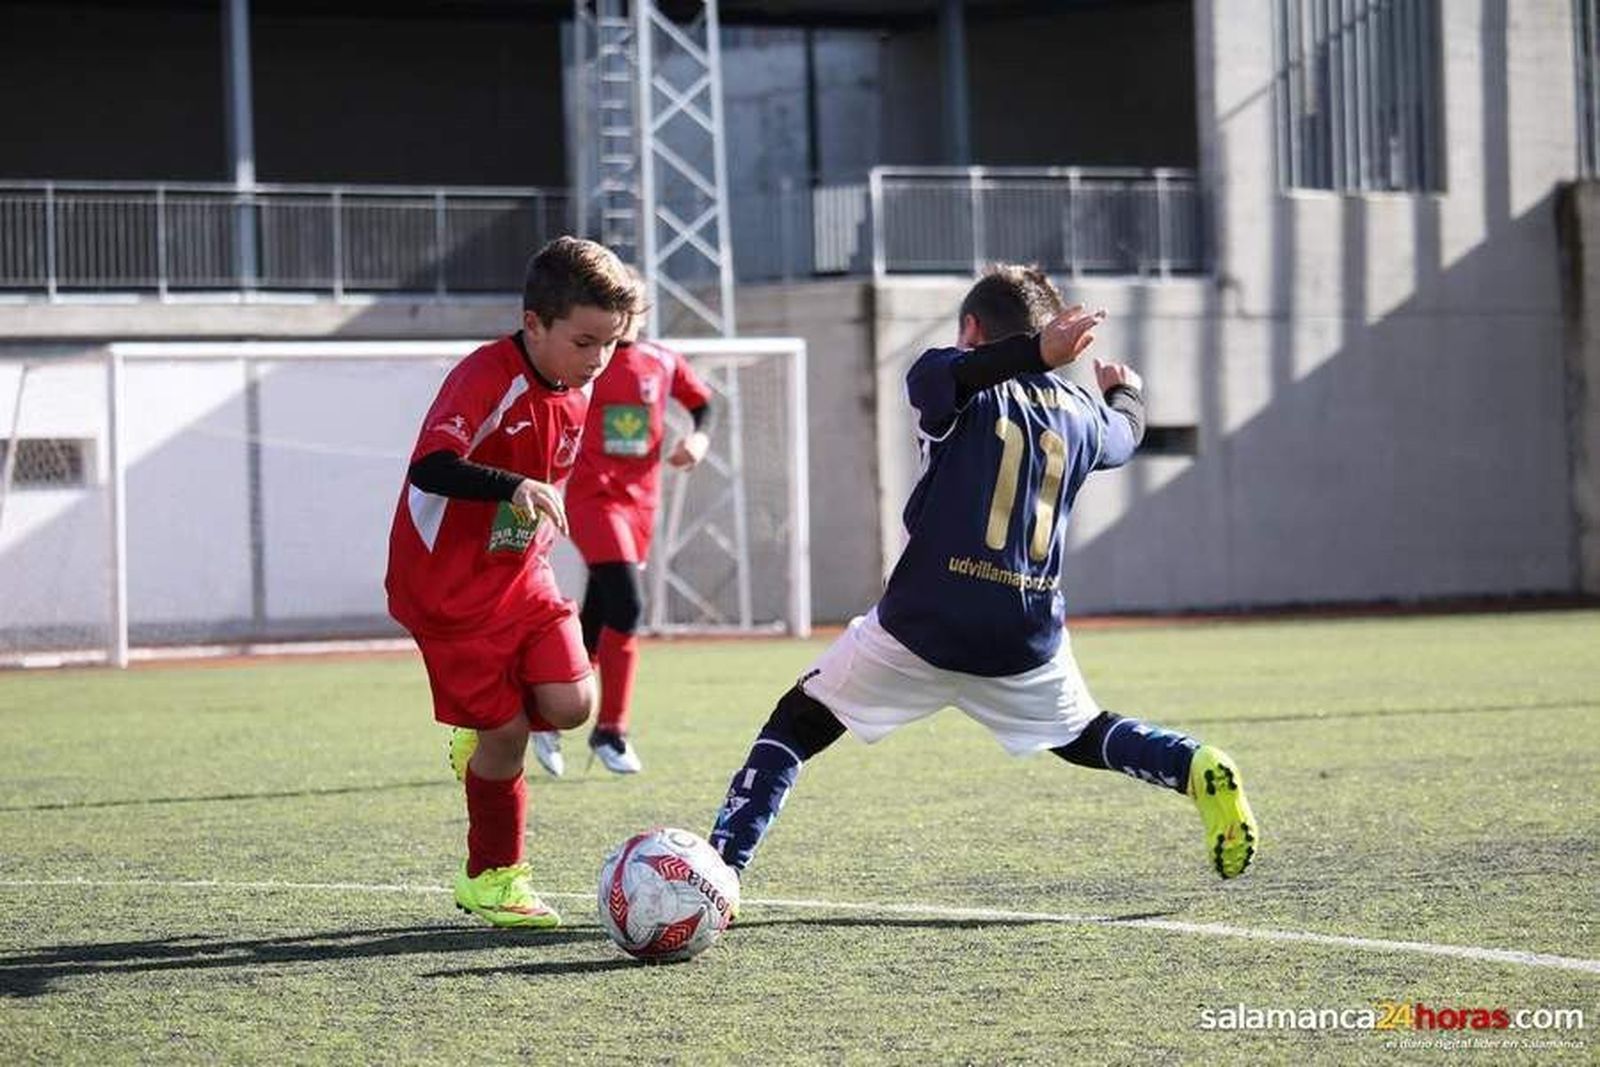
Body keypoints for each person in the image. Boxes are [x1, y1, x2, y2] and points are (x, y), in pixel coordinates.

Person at [707, 264, 1258, 887]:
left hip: (927, 623)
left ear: (971, 327)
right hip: (1025, 634)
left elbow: (939, 374)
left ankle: (720, 869)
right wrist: (1125, 393)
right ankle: (1192, 764)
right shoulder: (1079, 410)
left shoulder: (955, 382)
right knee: (1081, 735)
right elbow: (1126, 438)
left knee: (798, 721)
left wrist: (1029, 354)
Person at [386, 236, 642, 927]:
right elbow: (432, 465)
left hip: (522, 574)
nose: (598, 362)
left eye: (612, 345)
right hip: (448, 590)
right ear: (534, 323)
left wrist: (538, 517)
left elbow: (547, 476)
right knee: (507, 739)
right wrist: (516, 485)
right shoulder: (484, 375)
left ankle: (482, 732)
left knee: (569, 705)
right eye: (585, 342)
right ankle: (492, 878)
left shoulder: (579, 390)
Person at [527, 305, 714, 777]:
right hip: (594, 500)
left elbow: (702, 405)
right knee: (629, 605)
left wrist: (698, 440)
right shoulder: (585, 360)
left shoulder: (662, 360)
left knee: (601, 611)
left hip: (641, 505)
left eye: (629, 307)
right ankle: (611, 729)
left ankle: (546, 713)